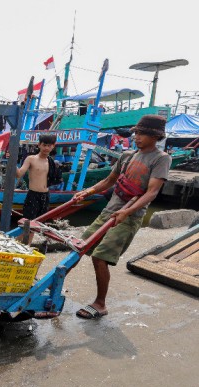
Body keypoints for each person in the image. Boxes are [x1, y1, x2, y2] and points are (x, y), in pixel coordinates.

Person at [72, 115, 171, 320]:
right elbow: (109, 181)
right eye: (136, 133)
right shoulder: (127, 155)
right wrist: (87, 192)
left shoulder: (161, 158)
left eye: (142, 133)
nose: (137, 137)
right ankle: (52, 285)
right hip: (109, 211)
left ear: (155, 136)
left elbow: (151, 192)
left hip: (129, 217)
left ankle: (100, 304)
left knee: (100, 258)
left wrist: (127, 212)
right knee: (79, 246)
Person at [16, 133, 57, 243]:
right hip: (33, 195)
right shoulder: (31, 159)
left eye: (49, 145)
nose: (46, 148)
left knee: (36, 225)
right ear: (39, 145)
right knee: (26, 224)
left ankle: (27, 246)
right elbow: (19, 174)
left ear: (53, 146)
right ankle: (16, 244)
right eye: (44, 145)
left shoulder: (51, 161)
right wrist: (13, 161)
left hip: (45, 196)